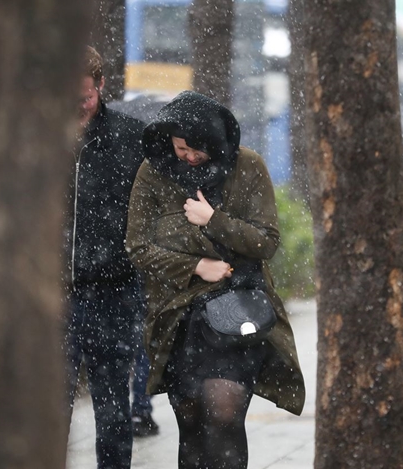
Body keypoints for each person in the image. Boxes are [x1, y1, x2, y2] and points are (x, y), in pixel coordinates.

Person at [126, 90, 305, 469]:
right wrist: (194, 267)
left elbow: (266, 241)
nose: (188, 157)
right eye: (180, 148)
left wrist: (214, 221)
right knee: (190, 420)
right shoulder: (152, 171)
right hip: (177, 315)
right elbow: (138, 247)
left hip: (237, 309)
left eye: (198, 149)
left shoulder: (248, 166)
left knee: (224, 413)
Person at [63, 45, 156, 468]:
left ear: (101, 85)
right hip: (53, 296)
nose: (78, 106)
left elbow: (154, 210)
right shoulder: (39, 139)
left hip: (113, 295)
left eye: (84, 96)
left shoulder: (130, 137)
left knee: (113, 408)